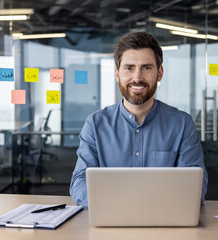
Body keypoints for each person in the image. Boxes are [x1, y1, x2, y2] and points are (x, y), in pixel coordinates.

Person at [70, 32, 208, 207]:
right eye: (129, 68)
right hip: (111, 222)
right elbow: (79, 183)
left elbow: (195, 187)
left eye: (146, 67)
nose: (137, 77)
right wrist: (125, 204)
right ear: (117, 74)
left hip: (166, 226)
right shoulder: (95, 124)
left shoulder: (182, 124)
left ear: (159, 73)